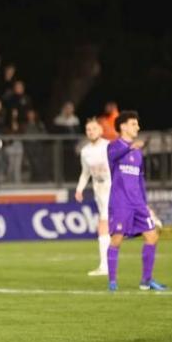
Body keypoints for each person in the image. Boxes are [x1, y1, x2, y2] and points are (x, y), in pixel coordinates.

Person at [106, 111, 167, 292]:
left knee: (152, 236)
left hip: (137, 203)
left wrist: (146, 204)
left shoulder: (138, 153)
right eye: (134, 124)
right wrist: (131, 147)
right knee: (116, 240)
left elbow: (141, 180)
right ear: (123, 126)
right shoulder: (113, 147)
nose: (138, 127)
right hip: (120, 202)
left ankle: (146, 281)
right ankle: (112, 282)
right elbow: (114, 156)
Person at [75, 118, 111, 276]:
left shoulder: (109, 146)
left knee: (103, 225)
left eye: (94, 129)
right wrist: (79, 189)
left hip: (113, 187)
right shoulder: (85, 151)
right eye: (88, 129)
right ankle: (105, 265)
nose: (91, 132)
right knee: (105, 225)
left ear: (101, 130)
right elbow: (85, 173)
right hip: (99, 189)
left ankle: (105, 266)